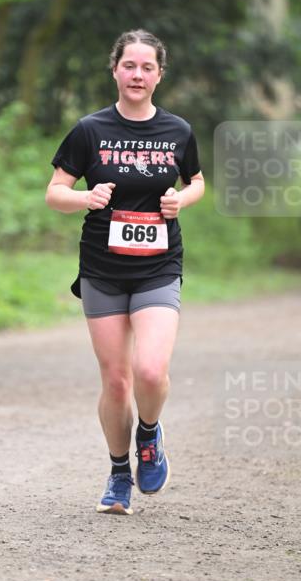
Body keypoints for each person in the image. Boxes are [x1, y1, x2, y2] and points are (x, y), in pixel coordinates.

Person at [46, 29, 204, 515]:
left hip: (158, 265)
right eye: (129, 65)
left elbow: (197, 181)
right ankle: (118, 474)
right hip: (103, 268)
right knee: (116, 381)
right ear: (115, 70)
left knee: (150, 370)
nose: (137, 75)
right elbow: (54, 192)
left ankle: (149, 436)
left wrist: (181, 199)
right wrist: (84, 197)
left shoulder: (178, 131)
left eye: (147, 67)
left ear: (159, 75)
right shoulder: (89, 130)